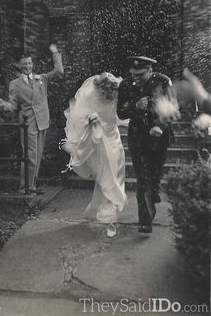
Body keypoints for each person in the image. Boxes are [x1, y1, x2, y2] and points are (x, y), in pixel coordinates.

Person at [62, 72, 127, 237]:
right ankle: (108, 218)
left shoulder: (118, 94)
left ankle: (103, 213)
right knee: (106, 177)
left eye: (110, 91)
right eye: (104, 90)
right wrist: (90, 120)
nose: (107, 94)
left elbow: (120, 115)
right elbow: (79, 117)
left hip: (114, 141)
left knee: (116, 175)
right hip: (98, 143)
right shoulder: (91, 96)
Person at [0, 44, 64, 194]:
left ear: (32, 64)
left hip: (42, 121)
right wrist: (3, 104)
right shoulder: (15, 84)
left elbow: (59, 71)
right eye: (24, 63)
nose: (27, 66)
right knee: (30, 155)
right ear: (20, 66)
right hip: (27, 123)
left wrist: (55, 53)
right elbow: (13, 106)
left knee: (37, 155)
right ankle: (24, 188)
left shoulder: (41, 79)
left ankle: (31, 186)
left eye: (29, 63)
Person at [117, 56, 174, 233]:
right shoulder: (125, 85)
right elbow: (120, 113)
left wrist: (160, 125)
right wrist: (135, 107)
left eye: (140, 74)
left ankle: (154, 191)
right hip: (138, 137)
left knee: (155, 174)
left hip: (159, 137)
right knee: (143, 178)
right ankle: (145, 220)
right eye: (133, 74)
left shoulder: (163, 82)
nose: (136, 78)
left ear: (150, 70)